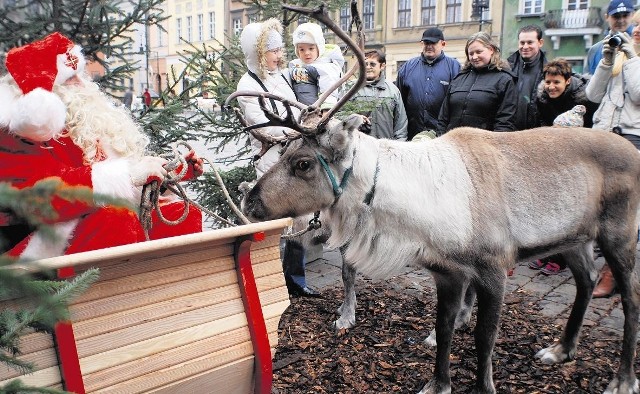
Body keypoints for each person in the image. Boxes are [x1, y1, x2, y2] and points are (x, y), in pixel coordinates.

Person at [0, 32, 203, 261]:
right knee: (117, 218)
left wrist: (166, 176)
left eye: (79, 76)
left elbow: (123, 185)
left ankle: (172, 290)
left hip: (91, 219)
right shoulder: (20, 133)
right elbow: (43, 196)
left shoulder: (83, 124)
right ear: (45, 98)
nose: (82, 85)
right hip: (42, 241)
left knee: (181, 215)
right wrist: (126, 176)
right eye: (70, 80)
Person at [235, 19, 318, 298]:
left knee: (301, 219)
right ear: (258, 53)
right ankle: (264, 283)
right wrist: (297, 127)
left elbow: (296, 111)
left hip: (292, 159)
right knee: (270, 223)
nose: (279, 56)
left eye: (280, 50)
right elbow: (263, 127)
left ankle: (295, 279)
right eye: (273, 51)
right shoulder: (248, 83)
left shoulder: (280, 77)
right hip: (271, 162)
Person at [585, 25, 640, 298]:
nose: (637, 31)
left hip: (633, 136)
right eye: (637, 26)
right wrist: (607, 62)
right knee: (596, 206)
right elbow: (593, 95)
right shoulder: (616, 59)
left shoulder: (632, 61)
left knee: (624, 212)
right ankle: (599, 264)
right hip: (604, 135)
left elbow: (639, 94)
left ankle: (615, 270)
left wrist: (633, 59)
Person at [436, 31, 517, 134]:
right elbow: (443, 117)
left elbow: (505, 122)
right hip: (453, 145)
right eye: (471, 54)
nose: (474, 57)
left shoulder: (504, 80)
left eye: (479, 52)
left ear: (491, 50)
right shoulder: (459, 79)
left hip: (483, 147)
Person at [396, 27, 460, 140]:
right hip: (413, 133)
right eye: (426, 43)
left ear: (443, 44)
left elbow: (457, 103)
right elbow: (399, 100)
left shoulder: (454, 67)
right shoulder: (408, 67)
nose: (429, 46)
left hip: (442, 135)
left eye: (433, 43)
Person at [349, 49, 408, 140]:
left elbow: (401, 125)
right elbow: (339, 116)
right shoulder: (350, 88)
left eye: (372, 64)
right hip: (359, 148)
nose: (368, 67)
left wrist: (398, 147)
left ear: (382, 66)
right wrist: (355, 118)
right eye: (365, 64)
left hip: (385, 149)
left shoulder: (393, 91)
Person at [289, 22, 344, 107]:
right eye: (302, 50)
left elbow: (328, 88)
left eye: (311, 48)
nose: (306, 53)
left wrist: (326, 109)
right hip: (299, 111)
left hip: (317, 112)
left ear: (319, 48)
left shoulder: (325, 67)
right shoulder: (295, 65)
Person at [536, 59, 599, 128]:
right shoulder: (543, 99)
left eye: (556, 82)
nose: (551, 87)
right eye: (548, 82)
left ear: (568, 81)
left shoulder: (586, 97)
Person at [507, 25, 548, 130]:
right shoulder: (506, 68)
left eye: (530, 42)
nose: (525, 47)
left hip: (535, 133)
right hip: (508, 131)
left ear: (540, 43)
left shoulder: (548, 71)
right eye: (522, 43)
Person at [586, 0, 634, 75]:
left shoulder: (637, 44)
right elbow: (587, 81)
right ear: (606, 17)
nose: (621, 20)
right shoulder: (595, 50)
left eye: (625, 15)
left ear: (632, 15)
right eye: (616, 16)